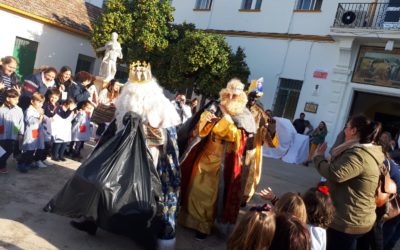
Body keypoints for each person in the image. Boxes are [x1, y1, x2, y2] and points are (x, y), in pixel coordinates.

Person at [45, 61, 181, 250]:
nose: (132, 91)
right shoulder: (125, 101)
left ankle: (144, 237)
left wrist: (140, 129)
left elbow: (167, 137)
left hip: (147, 157)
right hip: (117, 152)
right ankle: (91, 220)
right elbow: (116, 126)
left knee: (136, 195)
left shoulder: (161, 104)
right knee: (99, 183)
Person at [179, 79, 256, 240]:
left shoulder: (244, 115)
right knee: (194, 188)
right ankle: (188, 220)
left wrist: (225, 119)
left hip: (221, 160)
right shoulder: (214, 105)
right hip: (204, 153)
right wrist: (207, 119)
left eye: (234, 95)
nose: (230, 97)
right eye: (228, 94)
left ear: (240, 97)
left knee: (209, 195)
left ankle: (203, 226)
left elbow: (236, 136)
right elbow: (199, 126)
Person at [313, 115, 384, 250]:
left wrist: (318, 158)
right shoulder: (367, 150)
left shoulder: (358, 155)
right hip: (360, 218)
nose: (344, 130)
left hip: (348, 222)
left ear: (353, 131)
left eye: (346, 127)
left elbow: (335, 174)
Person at [242, 78, 278, 206]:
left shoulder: (261, 114)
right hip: (234, 149)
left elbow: (267, 140)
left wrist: (272, 130)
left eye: (256, 97)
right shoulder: (235, 108)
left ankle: (242, 199)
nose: (253, 100)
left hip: (251, 151)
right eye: (251, 96)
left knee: (246, 180)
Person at [18, 92, 46, 172]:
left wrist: (42, 117)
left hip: (36, 132)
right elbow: (29, 120)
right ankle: (21, 164)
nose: (40, 104)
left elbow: (41, 120)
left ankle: (28, 163)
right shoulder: (29, 110)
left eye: (42, 103)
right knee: (28, 150)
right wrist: (39, 118)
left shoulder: (38, 110)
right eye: (39, 102)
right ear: (32, 101)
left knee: (33, 149)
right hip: (30, 132)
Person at [0, 89, 24, 174]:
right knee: (1, 150)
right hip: (2, 135)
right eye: (15, 99)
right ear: (7, 99)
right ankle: (2, 166)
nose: (17, 101)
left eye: (18, 99)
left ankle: (1, 164)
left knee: (10, 150)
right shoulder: (1, 110)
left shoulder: (19, 110)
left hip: (13, 134)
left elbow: (21, 122)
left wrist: (20, 133)